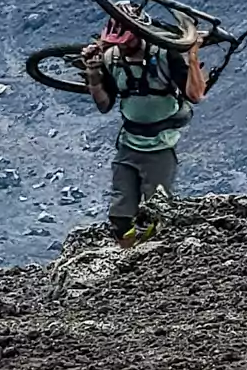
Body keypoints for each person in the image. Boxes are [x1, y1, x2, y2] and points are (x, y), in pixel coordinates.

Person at [82, 20, 208, 243]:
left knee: (154, 215)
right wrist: (93, 74)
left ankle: (153, 259)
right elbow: (104, 104)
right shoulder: (112, 58)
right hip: (128, 144)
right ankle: (126, 257)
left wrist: (192, 56)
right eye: (117, 43)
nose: (122, 47)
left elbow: (195, 95)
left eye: (125, 42)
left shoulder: (164, 54)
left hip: (160, 145)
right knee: (120, 215)